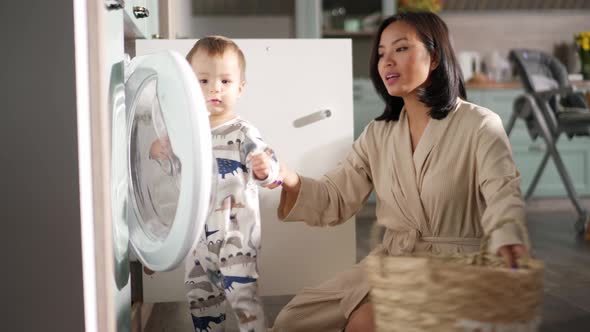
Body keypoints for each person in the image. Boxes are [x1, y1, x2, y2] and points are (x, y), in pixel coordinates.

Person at [255, 12, 529, 332]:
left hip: (458, 266)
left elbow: (503, 190)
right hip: (392, 260)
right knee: (293, 321)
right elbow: (336, 196)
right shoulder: (379, 133)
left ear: (435, 56)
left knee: (366, 323)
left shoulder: (480, 124)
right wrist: (285, 175)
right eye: (381, 53)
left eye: (400, 49)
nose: (386, 61)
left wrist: (507, 237)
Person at [149, 36, 280, 332]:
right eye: (204, 80)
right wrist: (158, 151)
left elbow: (271, 169)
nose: (215, 89)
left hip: (237, 236)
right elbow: (172, 171)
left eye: (225, 81)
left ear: (240, 88)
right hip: (194, 237)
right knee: (200, 299)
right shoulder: (186, 132)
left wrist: (264, 170)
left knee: (243, 298)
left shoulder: (244, 132)